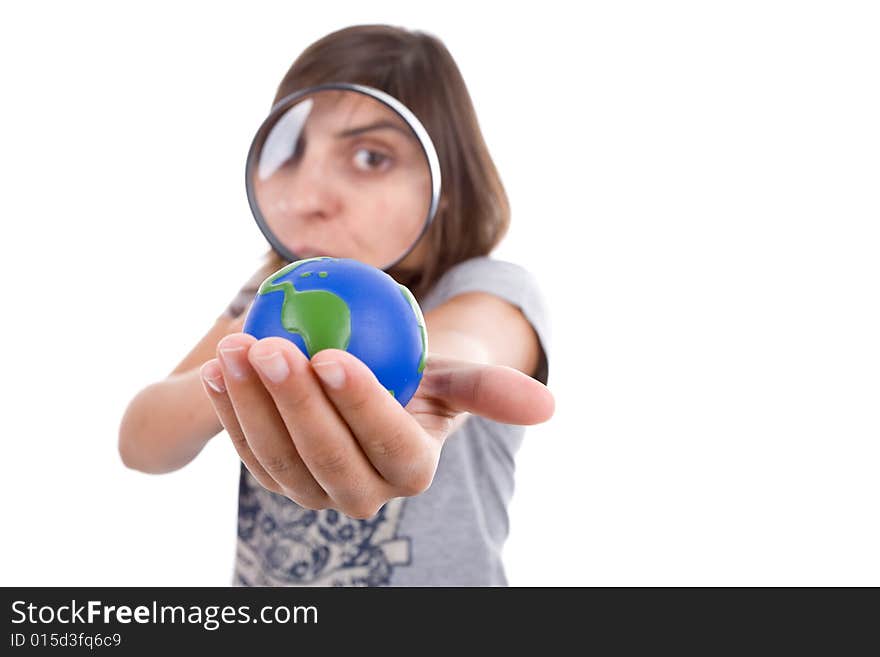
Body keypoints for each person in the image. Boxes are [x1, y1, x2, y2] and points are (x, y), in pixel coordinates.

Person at [118, 24, 555, 586]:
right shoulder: (271, 294)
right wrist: (245, 370)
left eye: (371, 157)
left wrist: (412, 372)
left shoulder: (490, 289)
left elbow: (468, 339)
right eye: (292, 151)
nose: (307, 195)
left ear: (448, 189)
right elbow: (141, 442)